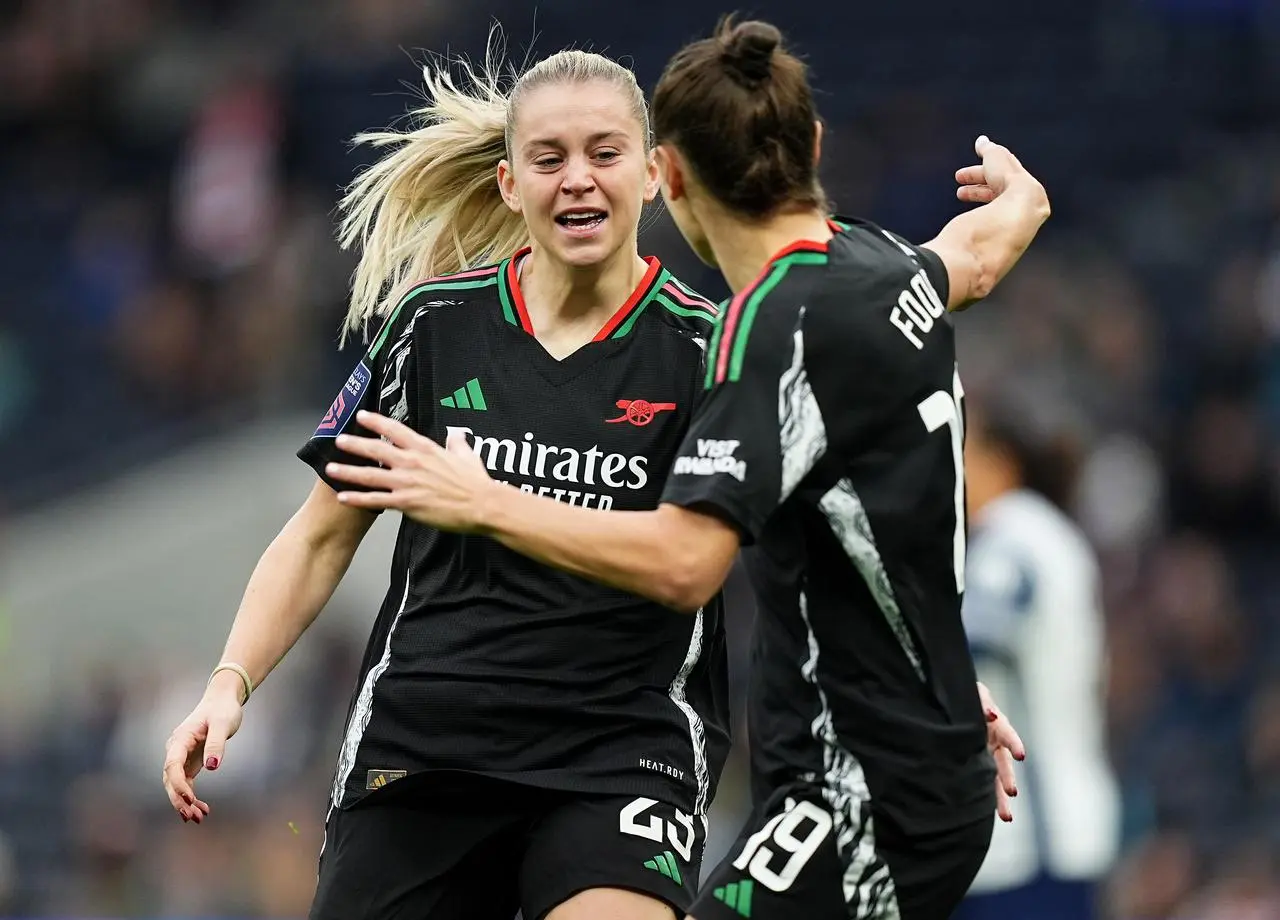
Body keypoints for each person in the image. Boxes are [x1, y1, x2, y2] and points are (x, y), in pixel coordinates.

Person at [324, 16, 1047, 920]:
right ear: (811, 146)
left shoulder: (762, 335)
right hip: (900, 757)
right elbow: (983, 247)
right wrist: (1022, 194)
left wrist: (482, 500)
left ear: (664, 176)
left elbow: (683, 562)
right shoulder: (882, 265)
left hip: (860, 791)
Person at [161, 43, 736, 920]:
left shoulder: (708, 352)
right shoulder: (434, 327)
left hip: (620, 749)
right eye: (549, 159)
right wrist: (228, 683)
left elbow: (788, 544)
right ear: (510, 184)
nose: (577, 179)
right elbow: (320, 534)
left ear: (654, 173)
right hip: (427, 743)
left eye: (604, 153)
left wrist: (940, 679)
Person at [951, 394, 1120, 920]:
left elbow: (961, 650)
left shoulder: (1014, 538)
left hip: (1028, 843)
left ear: (1001, 462)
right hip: (1057, 830)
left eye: (963, 451)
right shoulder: (1045, 535)